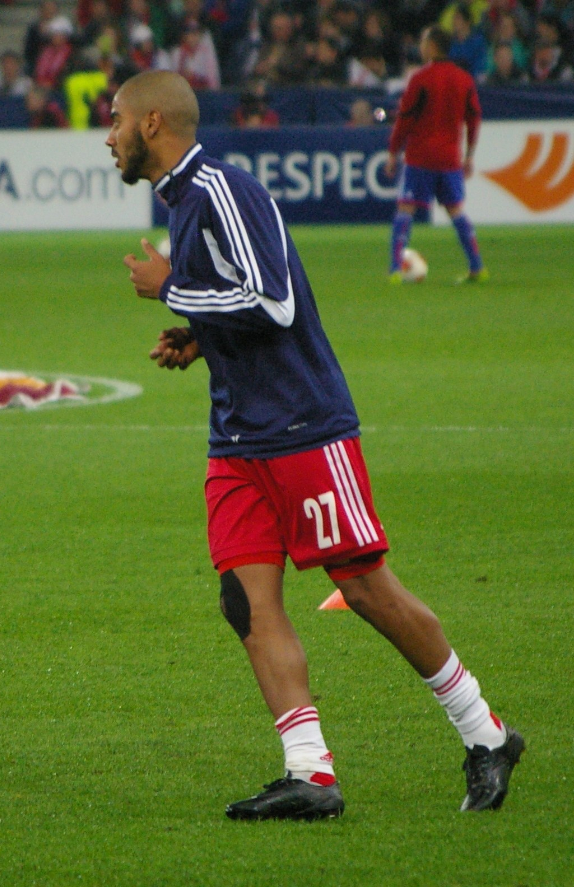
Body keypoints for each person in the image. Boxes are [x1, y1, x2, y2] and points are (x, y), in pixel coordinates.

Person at [106, 69, 524, 820]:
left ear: (152, 124)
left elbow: (275, 299)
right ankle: (310, 773)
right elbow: (238, 303)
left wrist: (173, 289)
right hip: (236, 436)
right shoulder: (182, 202)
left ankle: (484, 731)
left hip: (302, 425)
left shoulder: (223, 191)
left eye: (114, 121)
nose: (106, 137)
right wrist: (199, 337)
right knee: (245, 598)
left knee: (364, 586)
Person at [385, 25, 489, 284]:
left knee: (405, 210)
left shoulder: (421, 79)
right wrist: (469, 154)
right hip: (450, 159)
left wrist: (392, 152)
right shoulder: (464, 79)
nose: (420, 46)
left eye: (422, 41)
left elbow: (405, 120)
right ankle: (477, 267)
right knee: (456, 211)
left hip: (421, 156)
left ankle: (396, 270)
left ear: (431, 46)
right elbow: (474, 118)